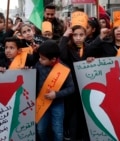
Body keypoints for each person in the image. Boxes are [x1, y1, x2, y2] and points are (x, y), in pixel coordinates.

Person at [59, 11, 90, 141]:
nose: (78, 38)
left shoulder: (89, 48)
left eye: (81, 35)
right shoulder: (69, 48)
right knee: (73, 115)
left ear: (85, 35)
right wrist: (65, 36)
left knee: (85, 114)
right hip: (72, 88)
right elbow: (62, 55)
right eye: (75, 35)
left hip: (86, 87)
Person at [35, 40, 74, 141]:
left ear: (53, 59)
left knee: (57, 130)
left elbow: (71, 88)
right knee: (41, 130)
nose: (40, 60)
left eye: (43, 59)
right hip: (42, 103)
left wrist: (56, 94)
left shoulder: (64, 69)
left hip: (57, 104)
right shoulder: (38, 65)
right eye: (39, 57)